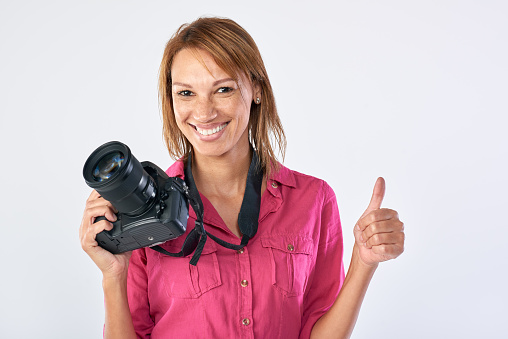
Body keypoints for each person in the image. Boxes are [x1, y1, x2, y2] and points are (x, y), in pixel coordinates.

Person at [80, 17, 405, 339]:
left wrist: (364, 262)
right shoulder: (140, 210)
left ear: (257, 89)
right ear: (171, 99)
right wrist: (113, 274)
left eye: (223, 89)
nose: (204, 112)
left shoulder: (313, 199)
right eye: (186, 93)